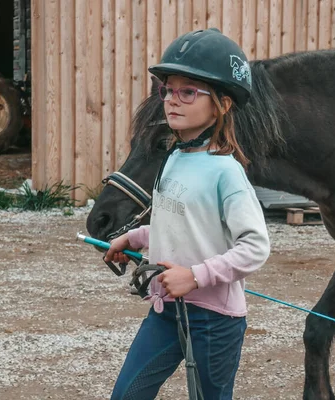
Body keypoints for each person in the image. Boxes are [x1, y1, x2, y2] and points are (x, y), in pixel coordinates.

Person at [104, 27, 270, 400]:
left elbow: (255, 247)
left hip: (214, 322)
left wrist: (196, 276)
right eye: (168, 90)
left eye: (188, 91)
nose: (172, 100)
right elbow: (180, 221)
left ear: (223, 104)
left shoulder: (227, 173)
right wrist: (136, 237)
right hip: (165, 312)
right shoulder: (174, 157)